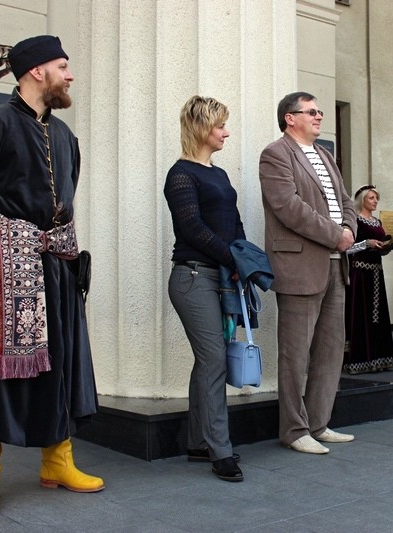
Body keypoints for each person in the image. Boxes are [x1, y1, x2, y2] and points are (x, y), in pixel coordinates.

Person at [0, 35, 103, 518]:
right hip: (9, 267)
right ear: (38, 71)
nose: (70, 74)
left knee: (59, 363)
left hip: (56, 263)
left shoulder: (65, 136)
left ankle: (58, 460)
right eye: (63, 65)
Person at [259, 91, 357, 454]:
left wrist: (349, 230)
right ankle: (294, 429)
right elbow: (288, 207)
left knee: (330, 350)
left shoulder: (326, 155)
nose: (319, 116)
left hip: (335, 264)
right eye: (311, 111)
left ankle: (319, 423)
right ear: (290, 117)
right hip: (300, 266)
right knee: (294, 354)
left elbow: (346, 201)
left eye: (320, 111)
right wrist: (336, 234)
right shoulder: (275, 154)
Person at [164, 95, 245, 482]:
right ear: (201, 128)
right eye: (220, 126)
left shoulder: (220, 174)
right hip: (193, 277)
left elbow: (234, 221)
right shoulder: (180, 174)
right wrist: (233, 259)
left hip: (221, 276)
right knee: (214, 359)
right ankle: (220, 451)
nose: (226, 132)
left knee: (207, 359)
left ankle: (199, 441)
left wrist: (243, 260)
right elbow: (192, 229)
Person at [343, 185, 393, 374]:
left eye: (376, 198)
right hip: (359, 274)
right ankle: (358, 360)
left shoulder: (377, 221)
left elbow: (379, 245)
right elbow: (346, 248)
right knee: (360, 314)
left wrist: (387, 247)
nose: (375, 201)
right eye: (371, 198)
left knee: (377, 316)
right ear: (362, 200)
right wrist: (367, 243)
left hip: (376, 273)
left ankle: (378, 358)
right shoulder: (354, 220)